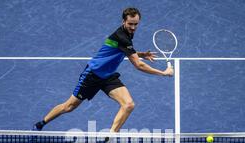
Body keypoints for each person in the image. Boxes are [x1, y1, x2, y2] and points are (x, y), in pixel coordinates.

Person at [33, 7, 174, 134]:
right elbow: (139, 65)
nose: (133, 27)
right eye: (130, 24)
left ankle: (110, 137)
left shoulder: (127, 35)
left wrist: (141, 54)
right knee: (69, 106)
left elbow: (121, 50)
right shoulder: (122, 37)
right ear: (123, 21)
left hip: (108, 76)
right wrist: (163, 73)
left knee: (128, 104)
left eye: (136, 24)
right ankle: (40, 123)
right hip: (92, 75)